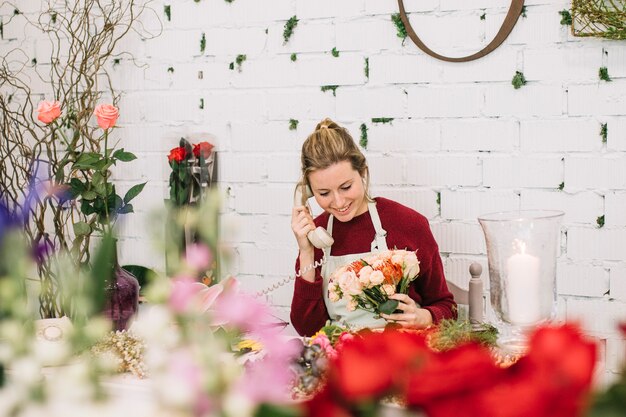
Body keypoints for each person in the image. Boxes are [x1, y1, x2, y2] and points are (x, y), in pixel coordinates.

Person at [290, 118, 457, 336]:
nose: (339, 202)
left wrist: (425, 317)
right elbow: (307, 328)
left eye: (346, 186)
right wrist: (306, 251)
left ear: (363, 173)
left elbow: (447, 307)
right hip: (343, 358)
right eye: (324, 193)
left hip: (403, 356)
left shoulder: (408, 223)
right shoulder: (317, 232)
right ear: (308, 192)